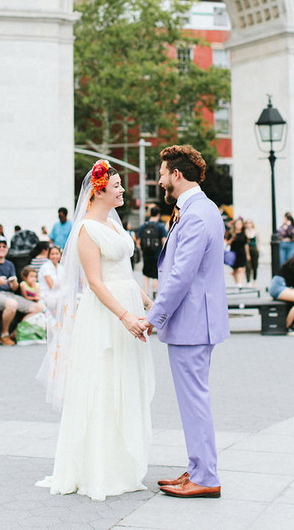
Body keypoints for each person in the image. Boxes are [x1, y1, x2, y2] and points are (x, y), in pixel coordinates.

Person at [37, 159, 154, 501]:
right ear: (99, 191)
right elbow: (95, 282)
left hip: (128, 305)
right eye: (116, 186)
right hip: (106, 315)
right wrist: (125, 316)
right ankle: (98, 469)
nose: (122, 190)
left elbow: (125, 274)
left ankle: (122, 464)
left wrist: (149, 304)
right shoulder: (86, 230)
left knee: (125, 383)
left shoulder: (116, 227)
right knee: (102, 384)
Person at [141, 144, 229, 499]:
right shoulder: (199, 209)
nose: (160, 179)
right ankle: (197, 468)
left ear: (176, 174)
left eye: (162, 173)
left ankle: (206, 476)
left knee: (194, 401)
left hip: (192, 323)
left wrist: (153, 318)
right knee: (194, 399)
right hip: (195, 321)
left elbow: (180, 275)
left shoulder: (195, 214)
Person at [0, 237, 43, 345]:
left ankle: (15, 333)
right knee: (12, 304)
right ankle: (4, 335)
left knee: (39, 308)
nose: (1, 248)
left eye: (4, 246)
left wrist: (14, 283)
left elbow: (14, 288)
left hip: (9, 294)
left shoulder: (9, 264)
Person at [137, 206, 167, 298]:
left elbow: (138, 241)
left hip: (146, 255)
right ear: (158, 214)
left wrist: (142, 251)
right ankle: (155, 292)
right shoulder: (160, 226)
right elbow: (164, 242)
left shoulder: (143, 226)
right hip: (157, 255)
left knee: (146, 274)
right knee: (156, 275)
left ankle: (146, 292)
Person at [38, 246, 62, 312]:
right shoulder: (45, 267)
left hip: (58, 294)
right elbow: (51, 286)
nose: (55, 256)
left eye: (57, 254)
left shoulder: (61, 267)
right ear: (49, 255)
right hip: (47, 295)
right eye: (52, 254)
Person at [228, 216, 248, 285]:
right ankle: (237, 283)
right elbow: (228, 243)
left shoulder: (243, 233)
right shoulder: (231, 233)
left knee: (241, 269)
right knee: (235, 269)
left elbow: (246, 244)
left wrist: (248, 254)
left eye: (240, 224)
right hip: (234, 253)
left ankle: (240, 283)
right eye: (237, 224)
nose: (239, 225)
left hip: (242, 253)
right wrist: (232, 238)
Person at [244, 219, 259, 285]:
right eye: (247, 223)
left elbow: (259, 240)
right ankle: (248, 281)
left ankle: (254, 280)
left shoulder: (255, 231)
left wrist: (258, 248)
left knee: (255, 265)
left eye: (250, 223)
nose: (249, 224)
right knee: (248, 266)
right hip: (247, 249)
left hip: (254, 249)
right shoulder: (244, 232)